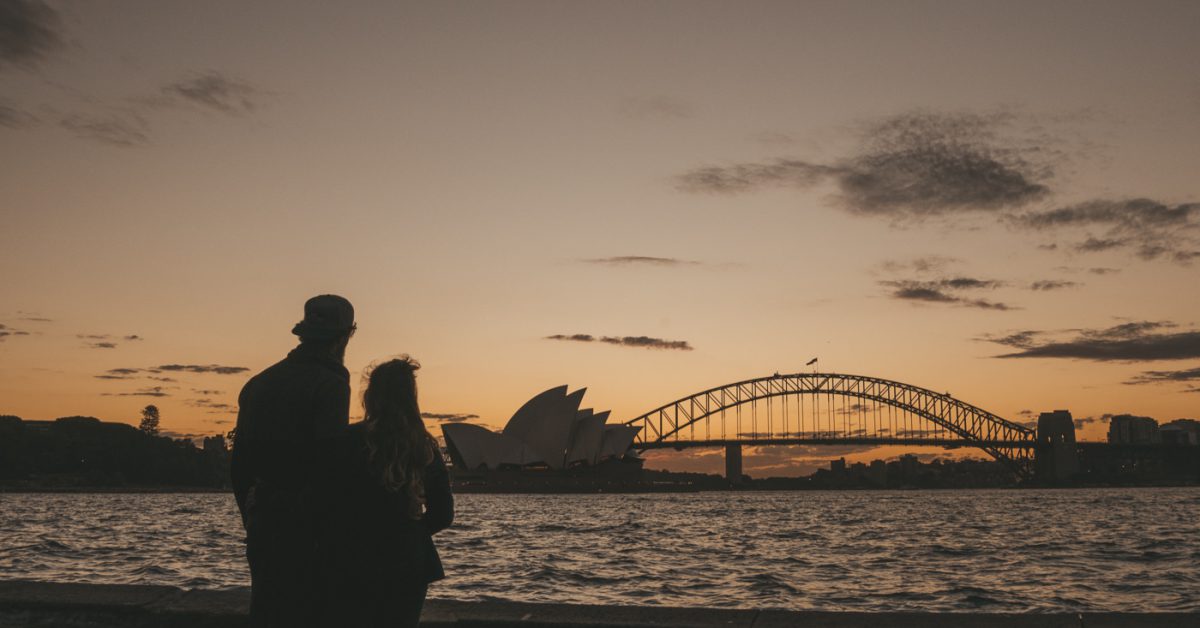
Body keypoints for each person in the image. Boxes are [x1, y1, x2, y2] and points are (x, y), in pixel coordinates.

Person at [231, 294, 356, 628]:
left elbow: (239, 467)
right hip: (310, 530)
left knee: (267, 611)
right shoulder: (330, 385)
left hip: (263, 521)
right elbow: (331, 468)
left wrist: (252, 517)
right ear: (348, 335)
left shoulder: (257, 384)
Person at [325, 357, 454, 628]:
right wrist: (409, 531)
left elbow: (328, 500)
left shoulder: (348, 441)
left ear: (370, 396)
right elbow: (443, 514)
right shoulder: (425, 447)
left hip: (354, 559)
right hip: (409, 562)